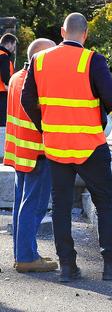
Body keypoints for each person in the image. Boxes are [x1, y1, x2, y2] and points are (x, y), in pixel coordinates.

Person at [21, 13, 112, 282]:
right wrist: (97, 113)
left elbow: (27, 101)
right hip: (90, 145)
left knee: (60, 207)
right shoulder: (92, 60)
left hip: (57, 146)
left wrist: (45, 126)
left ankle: (68, 267)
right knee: (105, 204)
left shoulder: (39, 60)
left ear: (62, 31)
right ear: (85, 34)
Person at [3, 38, 58, 273]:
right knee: (34, 207)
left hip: (20, 154)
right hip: (37, 155)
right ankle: (26, 257)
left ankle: (25, 252)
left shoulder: (17, 78)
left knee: (21, 205)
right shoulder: (40, 83)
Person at [0, 33, 18, 128]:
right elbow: (5, 75)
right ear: (8, 44)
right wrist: (8, 84)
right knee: (2, 122)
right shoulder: (4, 56)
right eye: (13, 45)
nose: (13, 49)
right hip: (2, 92)